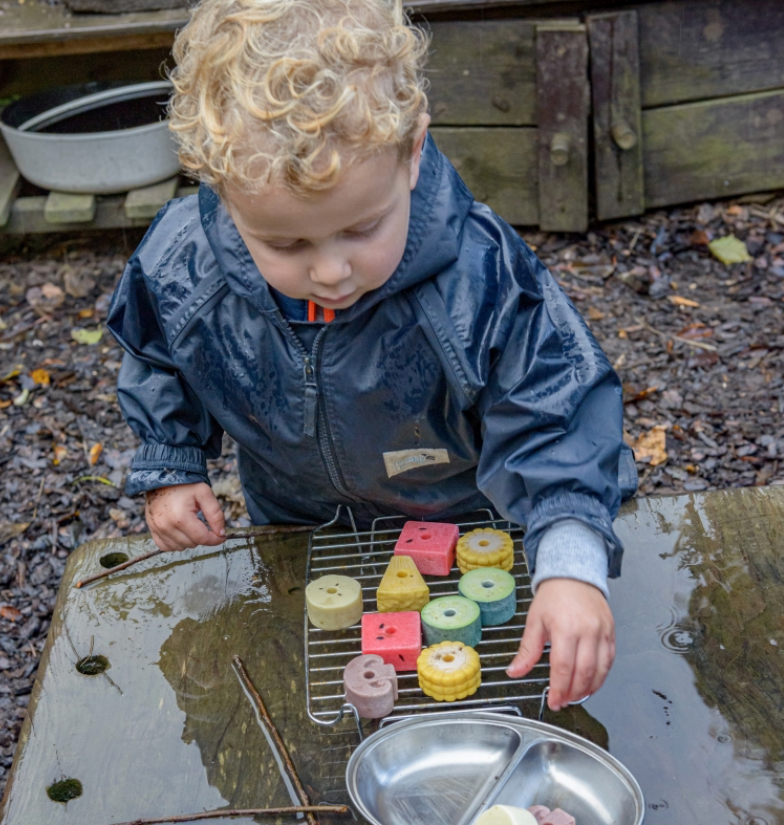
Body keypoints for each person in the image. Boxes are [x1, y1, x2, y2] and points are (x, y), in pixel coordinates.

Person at [107, 0, 637, 711]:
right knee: (313, 694)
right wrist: (171, 460)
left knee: (472, 696)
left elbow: (556, 409)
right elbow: (157, 349)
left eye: (362, 229)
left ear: (412, 153)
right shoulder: (184, 264)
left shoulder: (479, 276)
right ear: (223, 195)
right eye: (286, 244)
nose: (331, 272)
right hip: (297, 524)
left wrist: (570, 561)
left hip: (467, 527)